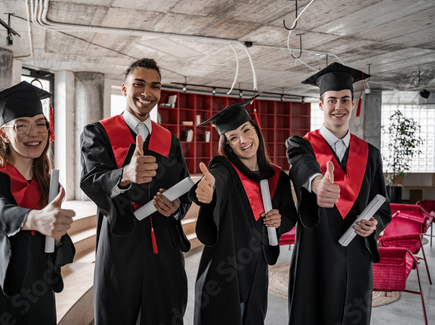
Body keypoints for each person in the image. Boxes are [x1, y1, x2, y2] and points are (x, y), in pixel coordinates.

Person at [80, 58, 192, 325]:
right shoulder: (99, 133)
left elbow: (184, 189)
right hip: (121, 242)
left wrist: (176, 208)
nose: (147, 93)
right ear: (124, 88)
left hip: (163, 244)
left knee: (165, 312)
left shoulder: (170, 140)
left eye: (155, 86)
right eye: (138, 84)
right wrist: (124, 176)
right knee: (116, 313)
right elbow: (92, 180)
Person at [0, 81, 76, 324]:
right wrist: (34, 219)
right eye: (21, 125)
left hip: (38, 302)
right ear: (3, 133)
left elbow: (58, 256)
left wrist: (57, 237)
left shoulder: (49, 186)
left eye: (40, 124)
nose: (34, 133)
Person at [286, 62, 392, 325]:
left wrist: (375, 223)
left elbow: (383, 206)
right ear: (321, 104)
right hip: (316, 251)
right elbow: (302, 167)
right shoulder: (303, 146)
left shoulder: (371, 155)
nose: (338, 107)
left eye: (345, 99)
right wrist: (317, 183)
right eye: (331, 100)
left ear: (353, 104)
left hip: (356, 253)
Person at [190, 98, 298, 324]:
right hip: (222, 274)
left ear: (256, 130)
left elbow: (289, 216)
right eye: (233, 137)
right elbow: (215, 178)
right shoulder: (225, 169)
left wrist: (279, 221)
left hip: (256, 273)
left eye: (246, 130)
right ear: (227, 145)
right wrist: (206, 190)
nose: (243, 140)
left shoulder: (278, 177)